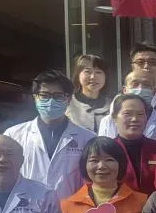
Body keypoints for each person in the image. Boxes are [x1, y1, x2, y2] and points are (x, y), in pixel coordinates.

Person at [5, 70, 96, 201]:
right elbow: (5, 176)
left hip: (70, 210)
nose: (51, 101)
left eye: (58, 96)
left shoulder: (88, 138)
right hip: (27, 207)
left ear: (69, 99)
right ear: (35, 97)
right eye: (44, 95)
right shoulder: (13, 135)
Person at [108, 93, 156, 195]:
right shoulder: (106, 151)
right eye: (127, 114)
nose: (135, 119)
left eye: (140, 114)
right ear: (114, 118)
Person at [98, 72, 156, 146]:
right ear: (125, 90)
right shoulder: (108, 121)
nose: (140, 88)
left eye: (146, 85)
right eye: (135, 84)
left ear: (153, 91)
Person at [67, 53, 111, 132]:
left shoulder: (112, 105)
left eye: (98, 72)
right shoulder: (67, 103)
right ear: (78, 75)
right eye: (87, 72)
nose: (93, 77)